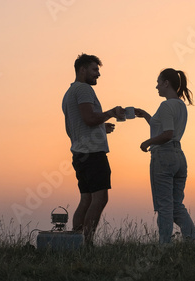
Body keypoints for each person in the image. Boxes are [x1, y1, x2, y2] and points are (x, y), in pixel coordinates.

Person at [62, 53, 124, 245]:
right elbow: (89, 119)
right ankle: (87, 244)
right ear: (82, 70)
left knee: (86, 199)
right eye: (94, 69)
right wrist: (111, 113)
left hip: (79, 153)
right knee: (100, 198)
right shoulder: (84, 90)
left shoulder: (70, 92)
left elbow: (78, 125)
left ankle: (76, 243)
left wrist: (100, 128)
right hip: (92, 154)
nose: (98, 74)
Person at [135, 68, 195, 245]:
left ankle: (164, 245)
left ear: (166, 83)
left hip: (163, 156)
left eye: (158, 82)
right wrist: (146, 116)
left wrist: (147, 142)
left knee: (164, 206)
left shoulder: (165, 106)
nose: (156, 86)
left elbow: (167, 133)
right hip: (179, 156)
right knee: (176, 204)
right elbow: (164, 128)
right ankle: (193, 241)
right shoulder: (180, 106)